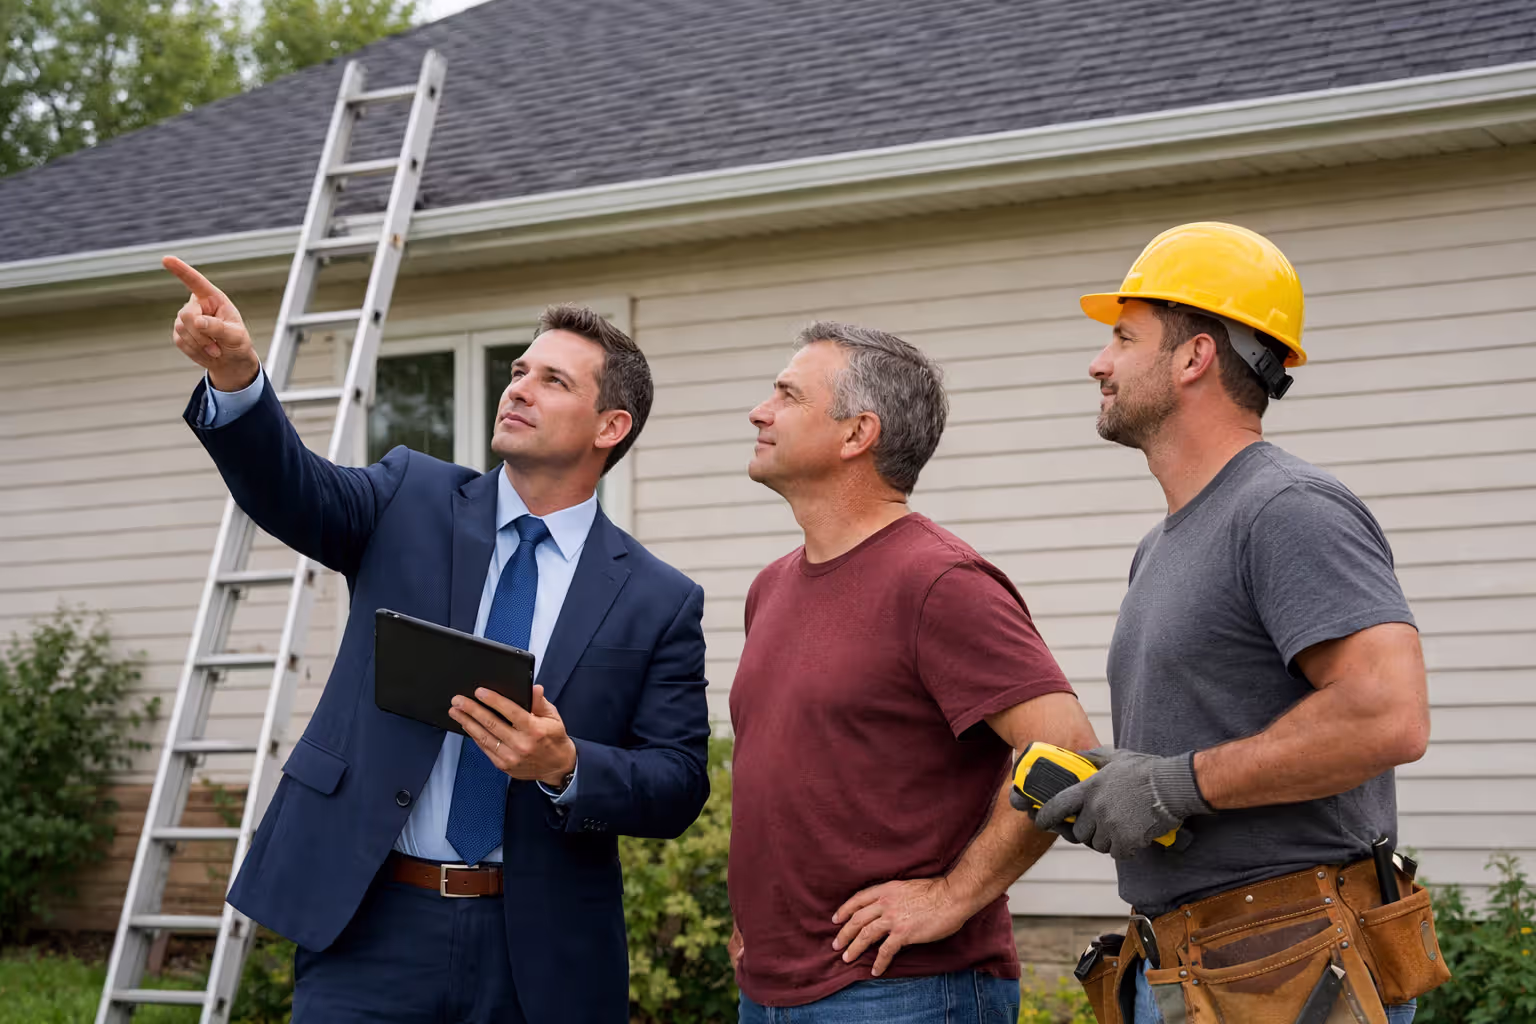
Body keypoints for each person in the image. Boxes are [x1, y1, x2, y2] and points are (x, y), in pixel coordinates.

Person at [164, 256, 711, 1024]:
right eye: (519, 369)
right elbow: (291, 489)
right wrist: (237, 382)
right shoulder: (408, 495)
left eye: (553, 380)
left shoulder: (659, 599)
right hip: (371, 921)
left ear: (610, 427)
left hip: (538, 952)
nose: (517, 385)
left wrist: (567, 765)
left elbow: (680, 780)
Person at [1037, 223, 1438, 1024]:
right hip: (1196, 964)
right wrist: (1131, 783)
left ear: (1193, 358)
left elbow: (1388, 713)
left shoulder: (1286, 509)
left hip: (1283, 966)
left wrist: (1171, 784)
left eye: (1122, 338)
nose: (1098, 362)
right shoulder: (1163, 544)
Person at [726, 321, 1100, 1023]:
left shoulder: (938, 581)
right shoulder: (770, 587)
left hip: (907, 992)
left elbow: (1068, 748)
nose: (760, 410)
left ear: (856, 433)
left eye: (787, 395)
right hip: (770, 988)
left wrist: (954, 896)